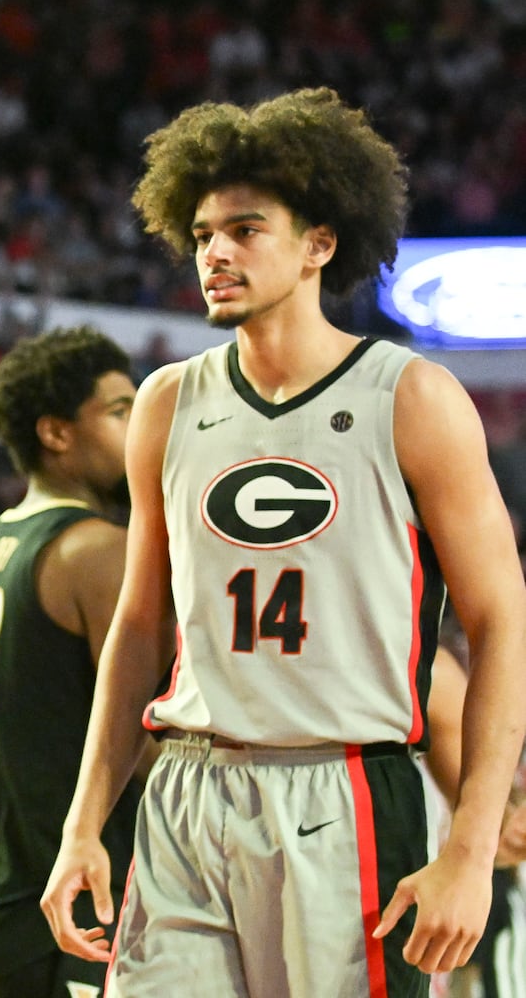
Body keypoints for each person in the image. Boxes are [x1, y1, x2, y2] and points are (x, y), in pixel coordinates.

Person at [40, 87, 526, 996]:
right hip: (187, 787)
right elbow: (138, 629)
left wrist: (470, 846)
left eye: (245, 229)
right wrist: (83, 825)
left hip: (343, 791)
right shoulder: (167, 402)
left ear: (320, 243)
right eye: (200, 235)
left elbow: (503, 622)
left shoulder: (410, 399)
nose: (215, 253)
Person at [0, 326, 162, 997]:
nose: (142, 429)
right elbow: (152, 740)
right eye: (122, 412)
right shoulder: (97, 549)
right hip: (70, 907)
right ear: (57, 434)